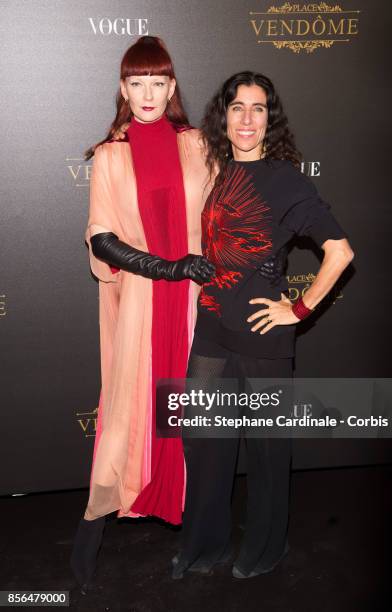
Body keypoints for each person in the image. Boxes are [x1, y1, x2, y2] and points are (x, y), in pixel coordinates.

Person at [171, 71, 354, 579]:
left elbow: (340, 252)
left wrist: (297, 309)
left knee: (268, 452)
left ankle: (268, 547)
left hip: (263, 338)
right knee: (206, 443)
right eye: (237, 107)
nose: (246, 118)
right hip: (211, 330)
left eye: (257, 108)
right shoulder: (216, 171)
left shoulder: (286, 180)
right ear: (223, 116)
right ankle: (204, 545)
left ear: (268, 119)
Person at [69, 35, 217, 593]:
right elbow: (101, 238)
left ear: (172, 87)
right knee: (126, 416)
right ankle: (90, 533)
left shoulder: (198, 144)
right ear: (123, 89)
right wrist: (170, 268)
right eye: (137, 83)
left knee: (193, 419)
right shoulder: (110, 154)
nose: (148, 93)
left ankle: (197, 531)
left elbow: (221, 217)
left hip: (197, 305)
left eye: (159, 82)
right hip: (140, 303)